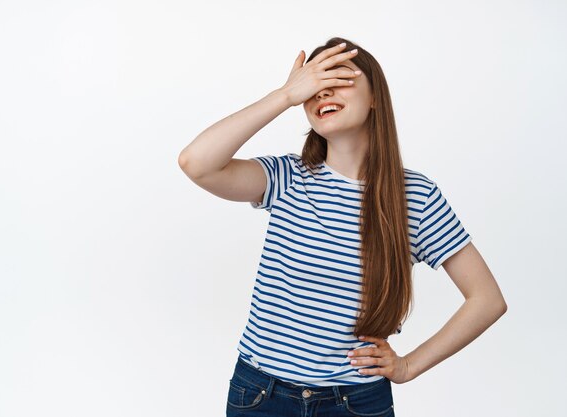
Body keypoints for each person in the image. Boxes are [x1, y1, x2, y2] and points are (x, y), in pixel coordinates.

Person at [178, 36, 507, 417]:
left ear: (374, 98)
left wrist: (408, 365)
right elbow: (195, 162)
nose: (322, 91)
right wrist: (284, 95)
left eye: (339, 77)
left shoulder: (414, 196)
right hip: (259, 396)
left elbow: (486, 299)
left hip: (355, 404)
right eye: (314, 84)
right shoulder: (286, 177)